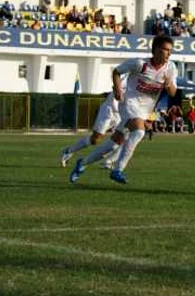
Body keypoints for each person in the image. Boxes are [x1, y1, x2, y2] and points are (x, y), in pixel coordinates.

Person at [69, 35, 177, 184]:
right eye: (166, 50)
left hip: (145, 110)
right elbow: (117, 71)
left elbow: (172, 93)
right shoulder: (140, 64)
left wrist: (169, 84)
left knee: (114, 143)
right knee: (139, 131)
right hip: (129, 103)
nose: (169, 53)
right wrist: (118, 89)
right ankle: (118, 169)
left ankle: (82, 163)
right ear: (156, 50)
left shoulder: (170, 67)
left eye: (170, 50)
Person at [59, 82, 124, 168]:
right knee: (95, 140)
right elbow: (116, 86)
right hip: (109, 111)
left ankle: (108, 161)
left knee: (123, 139)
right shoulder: (128, 76)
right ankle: (69, 151)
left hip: (120, 113)